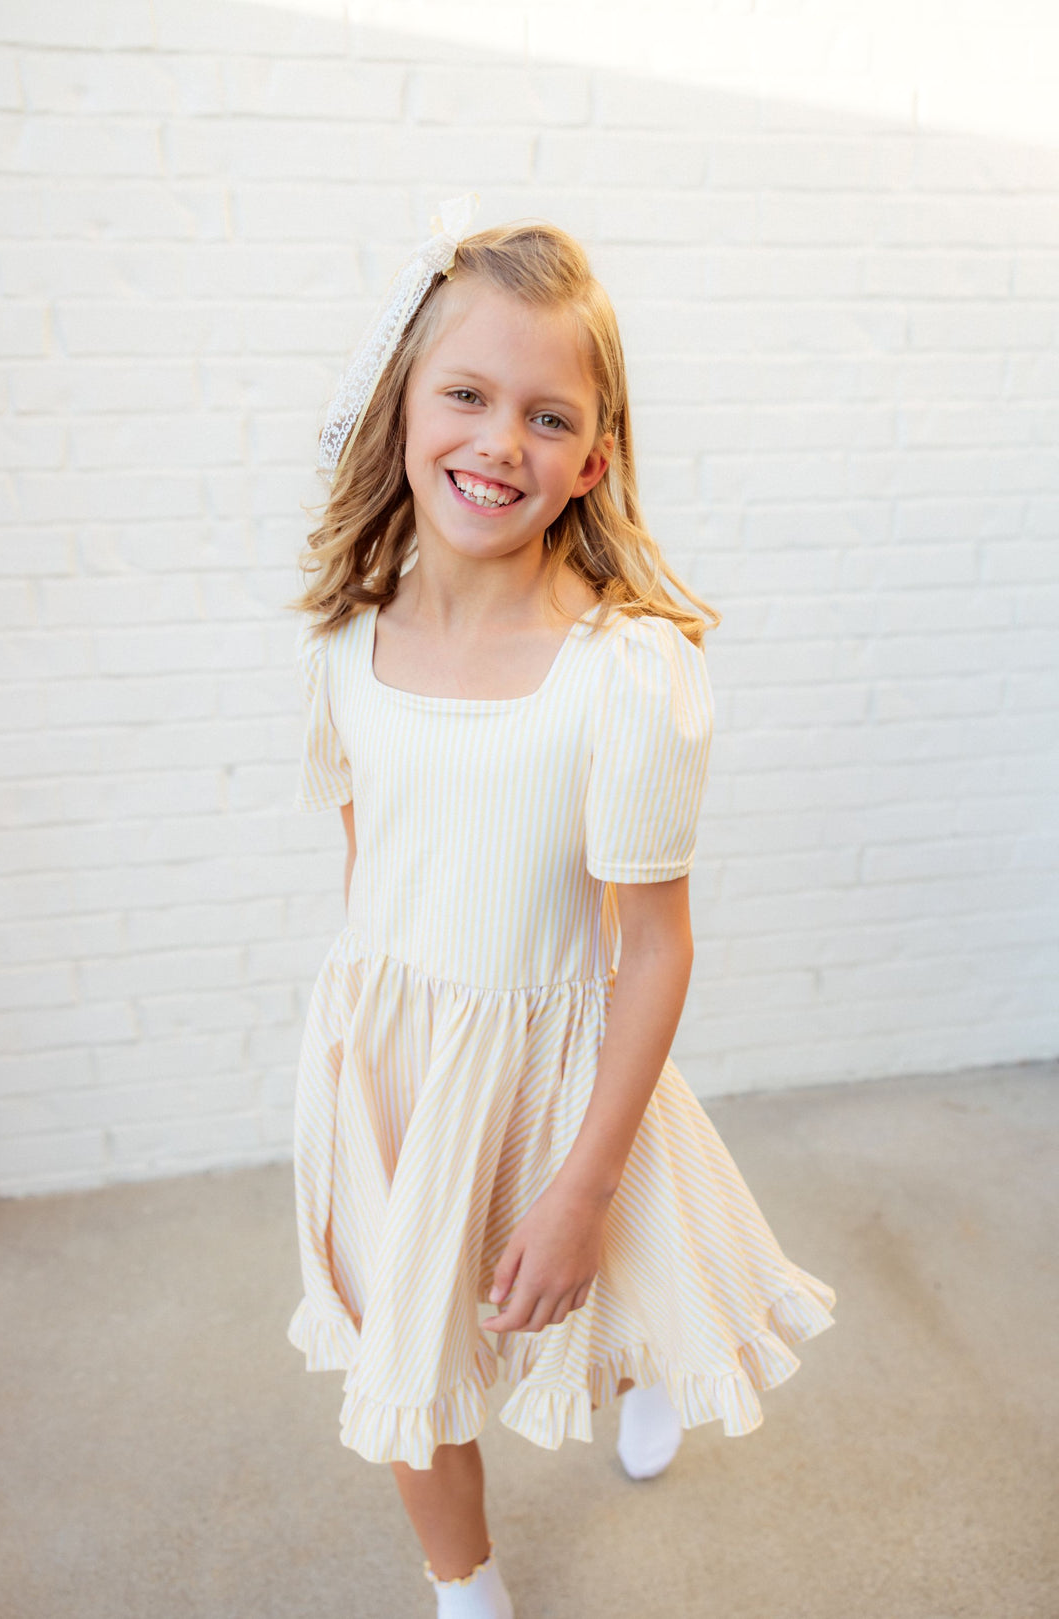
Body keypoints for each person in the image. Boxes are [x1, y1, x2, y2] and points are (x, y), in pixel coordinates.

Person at [285, 204, 837, 1618]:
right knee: (413, 1348)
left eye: (547, 415)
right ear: (407, 404)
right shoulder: (348, 644)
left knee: (595, 1273)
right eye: (466, 394)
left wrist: (583, 1184)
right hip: (390, 1059)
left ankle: (645, 1358)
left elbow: (652, 945)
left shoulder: (624, 674)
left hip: (552, 1056)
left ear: (595, 458)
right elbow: (374, 867)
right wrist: (372, 1057)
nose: (498, 442)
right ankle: (466, 1593)